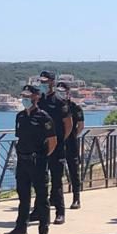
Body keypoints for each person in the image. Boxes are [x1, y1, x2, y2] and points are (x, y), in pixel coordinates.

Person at [4, 85, 56, 234]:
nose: (25, 100)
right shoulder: (20, 116)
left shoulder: (44, 117)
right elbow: (20, 137)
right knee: (23, 196)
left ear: (36, 98)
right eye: (23, 97)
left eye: (28, 97)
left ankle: (43, 230)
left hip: (37, 161)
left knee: (41, 197)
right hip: (22, 160)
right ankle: (20, 228)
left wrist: (42, 157)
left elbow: (52, 141)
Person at [36, 71, 71, 225]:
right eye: (41, 81)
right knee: (39, 180)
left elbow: (68, 125)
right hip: (39, 147)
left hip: (56, 147)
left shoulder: (59, 102)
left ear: (52, 82)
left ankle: (59, 212)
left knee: (56, 180)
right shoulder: (37, 100)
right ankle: (38, 210)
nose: (43, 84)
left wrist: (59, 140)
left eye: (46, 81)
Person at [57, 81, 85, 209]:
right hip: (57, 144)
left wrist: (72, 135)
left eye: (63, 91)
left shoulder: (75, 107)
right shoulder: (55, 106)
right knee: (56, 171)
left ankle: (76, 198)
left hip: (71, 143)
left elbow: (80, 126)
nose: (61, 94)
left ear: (68, 93)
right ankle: (55, 198)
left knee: (74, 171)